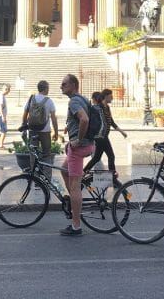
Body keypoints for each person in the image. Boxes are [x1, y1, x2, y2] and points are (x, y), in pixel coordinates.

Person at [59, 73, 95, 236]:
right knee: (64, 169)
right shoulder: (82, 98)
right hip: (88, 144)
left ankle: (76, 226)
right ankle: (74, 201)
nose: (61, 86)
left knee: (74, 187)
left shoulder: (74, 101)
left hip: (80, 148)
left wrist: (77, 140)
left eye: (64, 84)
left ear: (73, 85)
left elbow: (85, 120)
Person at [84, 88, 127, 177]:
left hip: (104, 136)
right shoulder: (99, 108)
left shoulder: (107, 107)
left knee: (96, 158)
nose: (112, 98)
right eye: (111, 96)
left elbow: (111, 122)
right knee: (111, 156)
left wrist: (121, 132)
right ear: (106, 97)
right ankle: (113, 177)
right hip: (101, 137)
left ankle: (83, 172)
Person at [22, 80, 59, 164]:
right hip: (45, 131)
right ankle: (46, 175)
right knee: (46, 154)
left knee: (33, 153)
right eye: (48, 88)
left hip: (32, 130)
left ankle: (34, 175)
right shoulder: (49, 101)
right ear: (45, 89)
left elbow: (24, 114)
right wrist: (56, 133)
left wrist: (24, 127)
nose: (48, 90)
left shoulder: (31, 99)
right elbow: (54, 119)